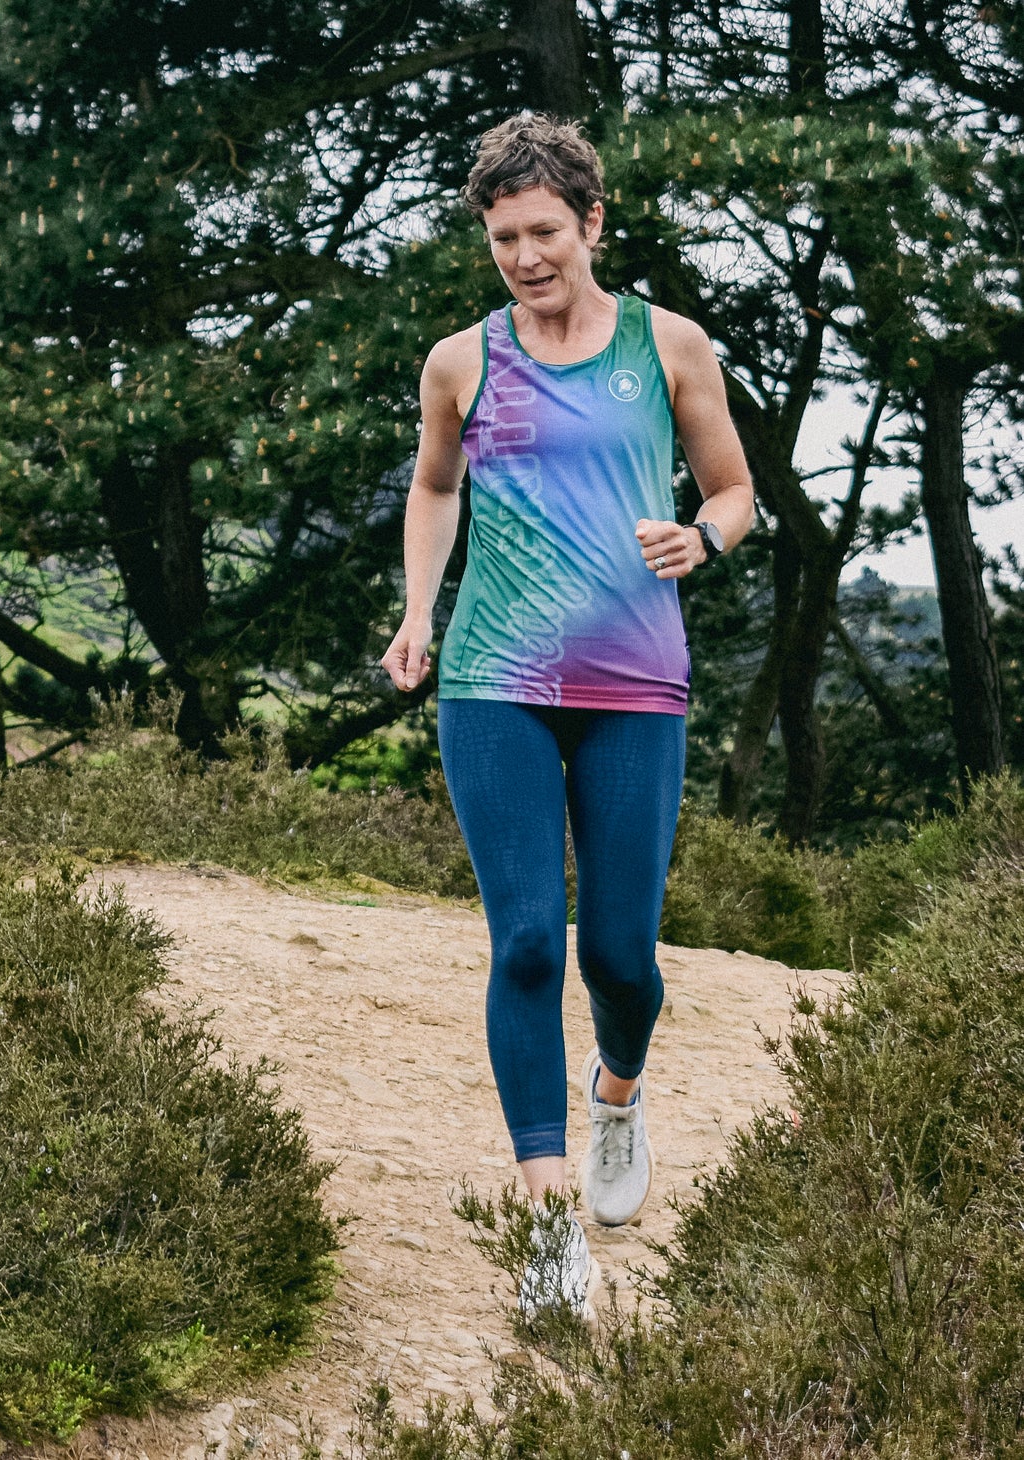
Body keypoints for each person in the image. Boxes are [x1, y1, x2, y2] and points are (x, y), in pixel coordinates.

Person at [380, 113, 756, 1321]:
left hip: (633, 682)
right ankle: (549, 1229)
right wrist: (418, 611)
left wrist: (698, 537)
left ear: (590, 222)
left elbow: (734, 489)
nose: (525, 257)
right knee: (529, 944)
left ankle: (618, 1091)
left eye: (543, 231)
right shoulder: (460, 362)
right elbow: (432, 486)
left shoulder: (667, 345)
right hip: (493, 677)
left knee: (620, 959)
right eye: (503, 239)